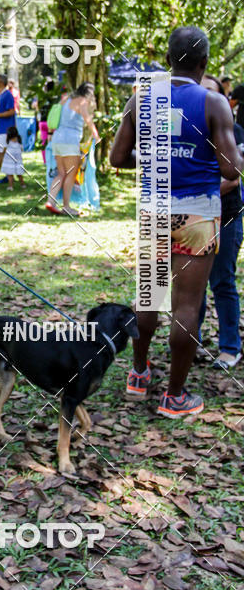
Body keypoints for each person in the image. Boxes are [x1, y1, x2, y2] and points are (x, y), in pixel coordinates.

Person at [110, 26, 244, 418]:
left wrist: (158, 159)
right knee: (187, 305)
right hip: (199, 212)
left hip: (154, 209)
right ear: (204, 64)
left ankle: (138, 373)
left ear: (168, 59)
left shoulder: (141, 98)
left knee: (149, 295)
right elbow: (230, 169)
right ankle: (175, 396)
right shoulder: (214, 103)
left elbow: (118, 158)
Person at [198, 75, 243, 369]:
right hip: (192, 218)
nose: (204, 97)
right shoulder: (184, 128)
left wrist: (195, 190)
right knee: (192, 285)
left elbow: (233, 177)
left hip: (226, 215)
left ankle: (230, 346)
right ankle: (191, 341)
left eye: (211, 92)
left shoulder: (235, 130)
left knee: (222, 280)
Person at [45, 83, 99, 216]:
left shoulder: (65, 99)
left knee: (61, 173)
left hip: (57, 139)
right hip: (70, 140)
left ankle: (50, 201)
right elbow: (88, 119)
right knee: (70, 174)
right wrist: (96, 135)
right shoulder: (82, 102)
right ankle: (66, 206)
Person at [0, 126, 25, 190]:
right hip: (18, 160)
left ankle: (11, 186)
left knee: (10, 174)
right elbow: (22, 149)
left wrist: (2, 155)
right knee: (19, 174)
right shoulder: (19, 141)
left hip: (9, 161)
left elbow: (4, 149)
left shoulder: (8, 142)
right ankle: (22, 184)